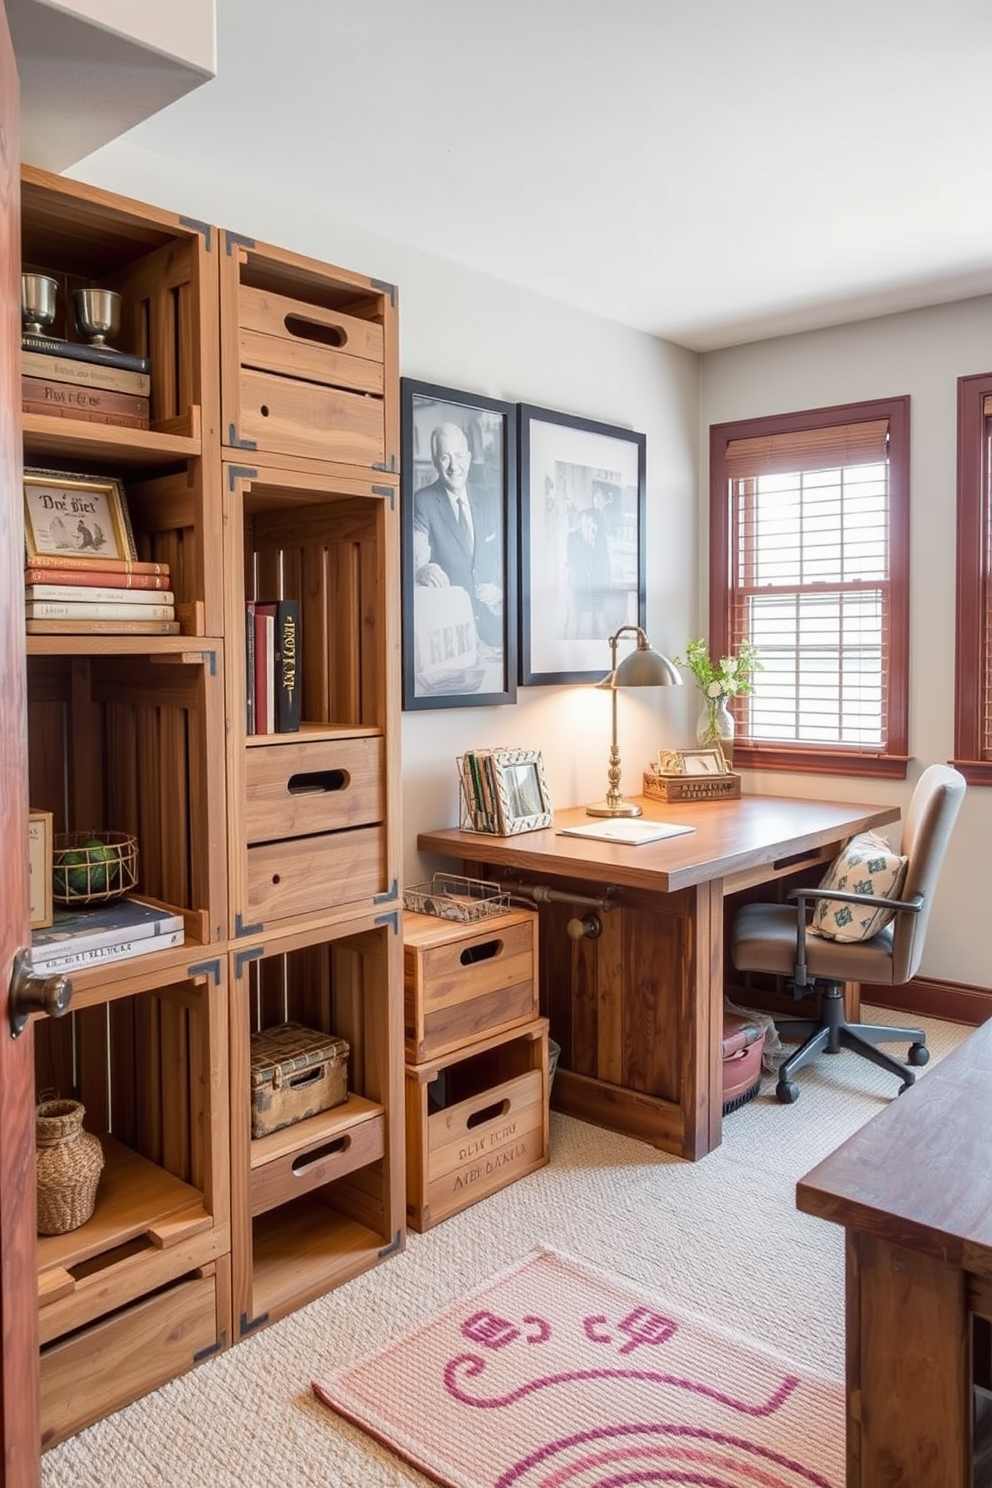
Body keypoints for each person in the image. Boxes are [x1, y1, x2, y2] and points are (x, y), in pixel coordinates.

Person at [412, 422, 503, 648]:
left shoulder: (489, 500)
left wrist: (501, 589)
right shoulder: (422, 501)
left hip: (494, 633)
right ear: (435, 461)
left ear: (469, 457)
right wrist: (422, 569)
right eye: (445, 458)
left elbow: (508, 557)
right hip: (450, 633)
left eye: (459, 456)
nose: (454, 466)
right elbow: (417, 557)